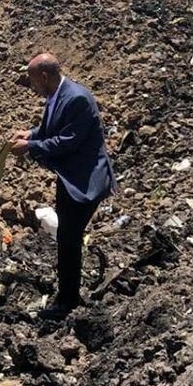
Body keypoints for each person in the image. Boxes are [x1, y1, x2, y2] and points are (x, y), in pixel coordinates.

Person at [10, 53, 116, 320]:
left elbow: (67, 140)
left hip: (84, 181)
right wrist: (32, 134)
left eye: (33, 81)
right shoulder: (59, 95)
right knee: (67, 238)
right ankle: (67, 296)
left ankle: (67, 301)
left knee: (68, 238)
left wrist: (31, 147)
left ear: (44, 77)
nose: (32, 86)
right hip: (70, 179)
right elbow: (52, 127)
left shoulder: (77, 97)